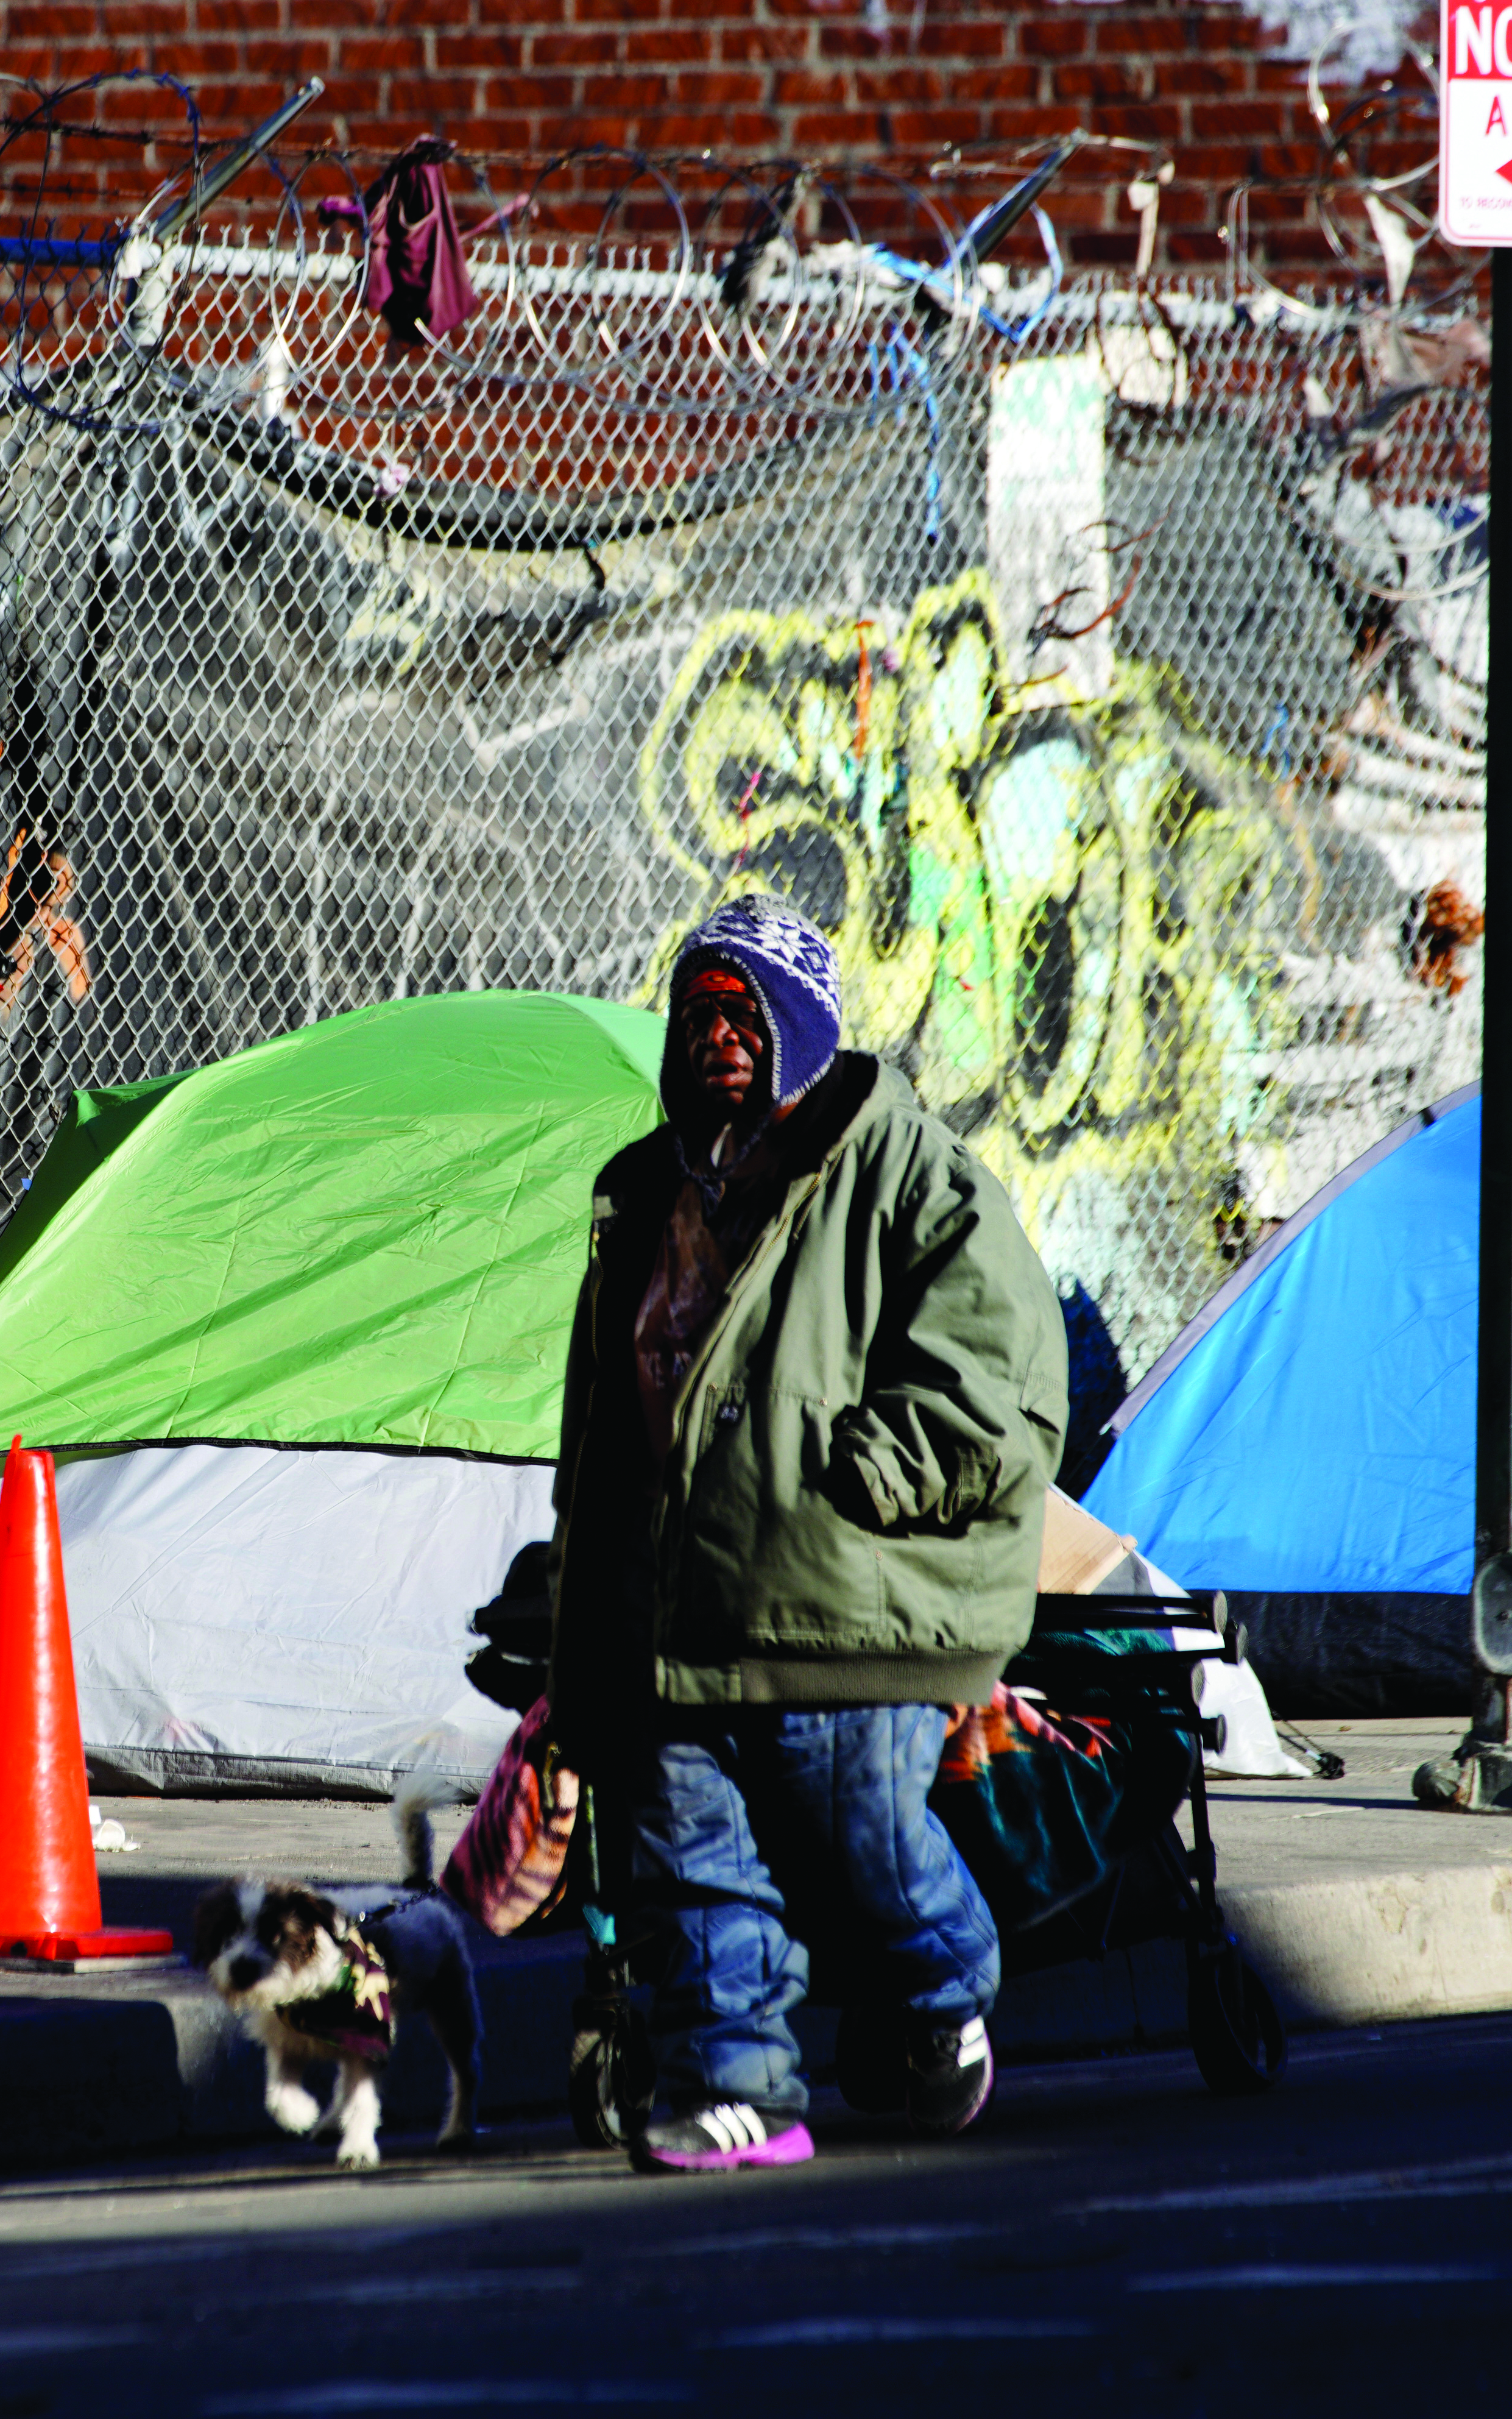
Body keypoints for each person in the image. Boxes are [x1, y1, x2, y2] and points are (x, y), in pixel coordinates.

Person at [545, 893, 1067, 2173]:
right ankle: (736, 2088)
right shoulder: (640, 1191)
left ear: (804, 1025)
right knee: (691, 1868)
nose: (717, 1037)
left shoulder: (915, 1178)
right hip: (675, 1625)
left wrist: (851, 1480)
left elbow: (999, 1382)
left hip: (844, 1600)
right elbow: (601, 1420)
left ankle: (944, 1988)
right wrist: (577, 1599)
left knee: (867, 1852)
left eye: (746, 1013)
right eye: (697, 1012)